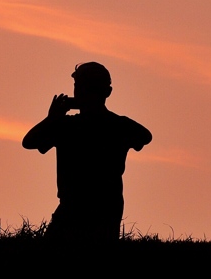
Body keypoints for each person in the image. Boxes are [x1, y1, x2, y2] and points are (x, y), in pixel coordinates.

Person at [22, 62, 151, 242]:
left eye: (85, 88)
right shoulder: (115, 125)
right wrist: (53, 119)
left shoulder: (70, 127)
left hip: (91, 209)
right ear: (108, 92)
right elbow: (29, 143)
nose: (80, 93)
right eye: (79, 87)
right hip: (86, 207)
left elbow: (30, 142)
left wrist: (52, 119)